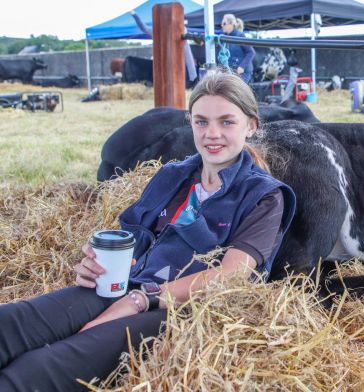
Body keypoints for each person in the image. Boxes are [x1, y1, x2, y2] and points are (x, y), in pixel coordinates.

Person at [0, 71, 296, 391]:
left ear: (251, 125)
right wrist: (98, 263)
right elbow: (134, 237)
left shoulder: (264, 195)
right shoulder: (173, 175)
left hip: (182, 313)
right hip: (127, 285)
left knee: (35, 370)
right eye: (201, 121)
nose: (212, 133)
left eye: (227, 122)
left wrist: (144, 299)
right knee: (9, 325)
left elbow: (230, 277)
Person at [129, 9, 198, 86]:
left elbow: (187, 55)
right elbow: (143, 27)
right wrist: (134, 15)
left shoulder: (180, 29)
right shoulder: (157, 31)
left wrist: (192, 75)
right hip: (165, 64)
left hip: (180, 65)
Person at [220, 13, 256, 84]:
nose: (222, 25)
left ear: (231, 24)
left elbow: (251, 52)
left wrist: (242, 66)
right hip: (231, 72)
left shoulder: (240, 36)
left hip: (242, 73)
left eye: (224, 23)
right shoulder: (224, 37)